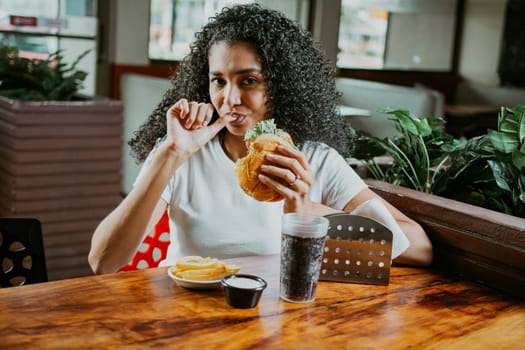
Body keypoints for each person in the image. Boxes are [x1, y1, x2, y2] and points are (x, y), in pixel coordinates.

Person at [88, 4, 432, 274]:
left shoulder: (315, 161)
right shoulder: (183, 154)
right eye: (219, 81)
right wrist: (170, 152)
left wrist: (305, 209)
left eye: (248, 81)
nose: (230, 99)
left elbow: (419, 248)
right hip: (186, 320)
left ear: (280, 86)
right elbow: (103, 261)